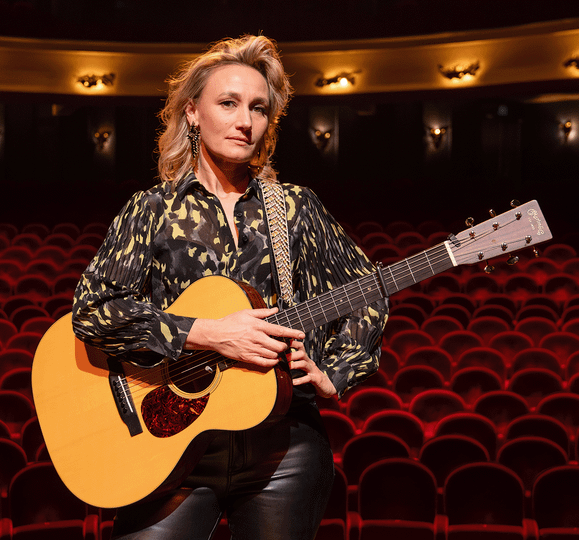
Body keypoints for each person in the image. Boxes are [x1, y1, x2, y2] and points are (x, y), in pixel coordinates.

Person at [72, 34, 387, 539]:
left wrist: (336, 371)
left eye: (259, 108)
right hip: (169, 443)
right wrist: (208, 333)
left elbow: (368, 290)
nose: (246, 121)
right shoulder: (152, 209)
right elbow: (93, 310)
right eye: (229, 103)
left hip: (283, 450)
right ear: (193, 112)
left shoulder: (296, 208)